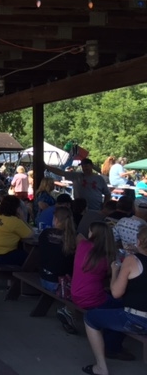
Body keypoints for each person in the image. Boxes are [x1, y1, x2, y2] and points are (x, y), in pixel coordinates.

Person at [82, 226, 147, 375]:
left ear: (138, 241)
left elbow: (116, 293)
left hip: (135, 319)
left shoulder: (131, 260)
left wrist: (116, 270)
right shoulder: (135, 258)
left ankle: (100, 367)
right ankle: (113, 346)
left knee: (90, 317)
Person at [38, 206, 78, 333]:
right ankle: (67, 311)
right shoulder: (75, 239)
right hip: (61, 283)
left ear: (55, 219)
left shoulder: (45, 233)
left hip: (43, 277)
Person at [0, 195, 33, 286]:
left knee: (19, 254)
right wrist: (23, 218)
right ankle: (23, 285)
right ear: (16, 208)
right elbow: (30, 234)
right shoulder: (15, 221)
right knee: (30, 258)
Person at [45, 158, 111, 211]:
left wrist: (104, 206)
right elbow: (61, 172)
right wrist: (46, 166)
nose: (85, 168)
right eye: (83, 166)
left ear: (91, 166)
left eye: (86, 166)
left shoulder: (99, 179)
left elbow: (107, 194)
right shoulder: (76, 176)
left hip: (95, 209)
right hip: (79, 209)